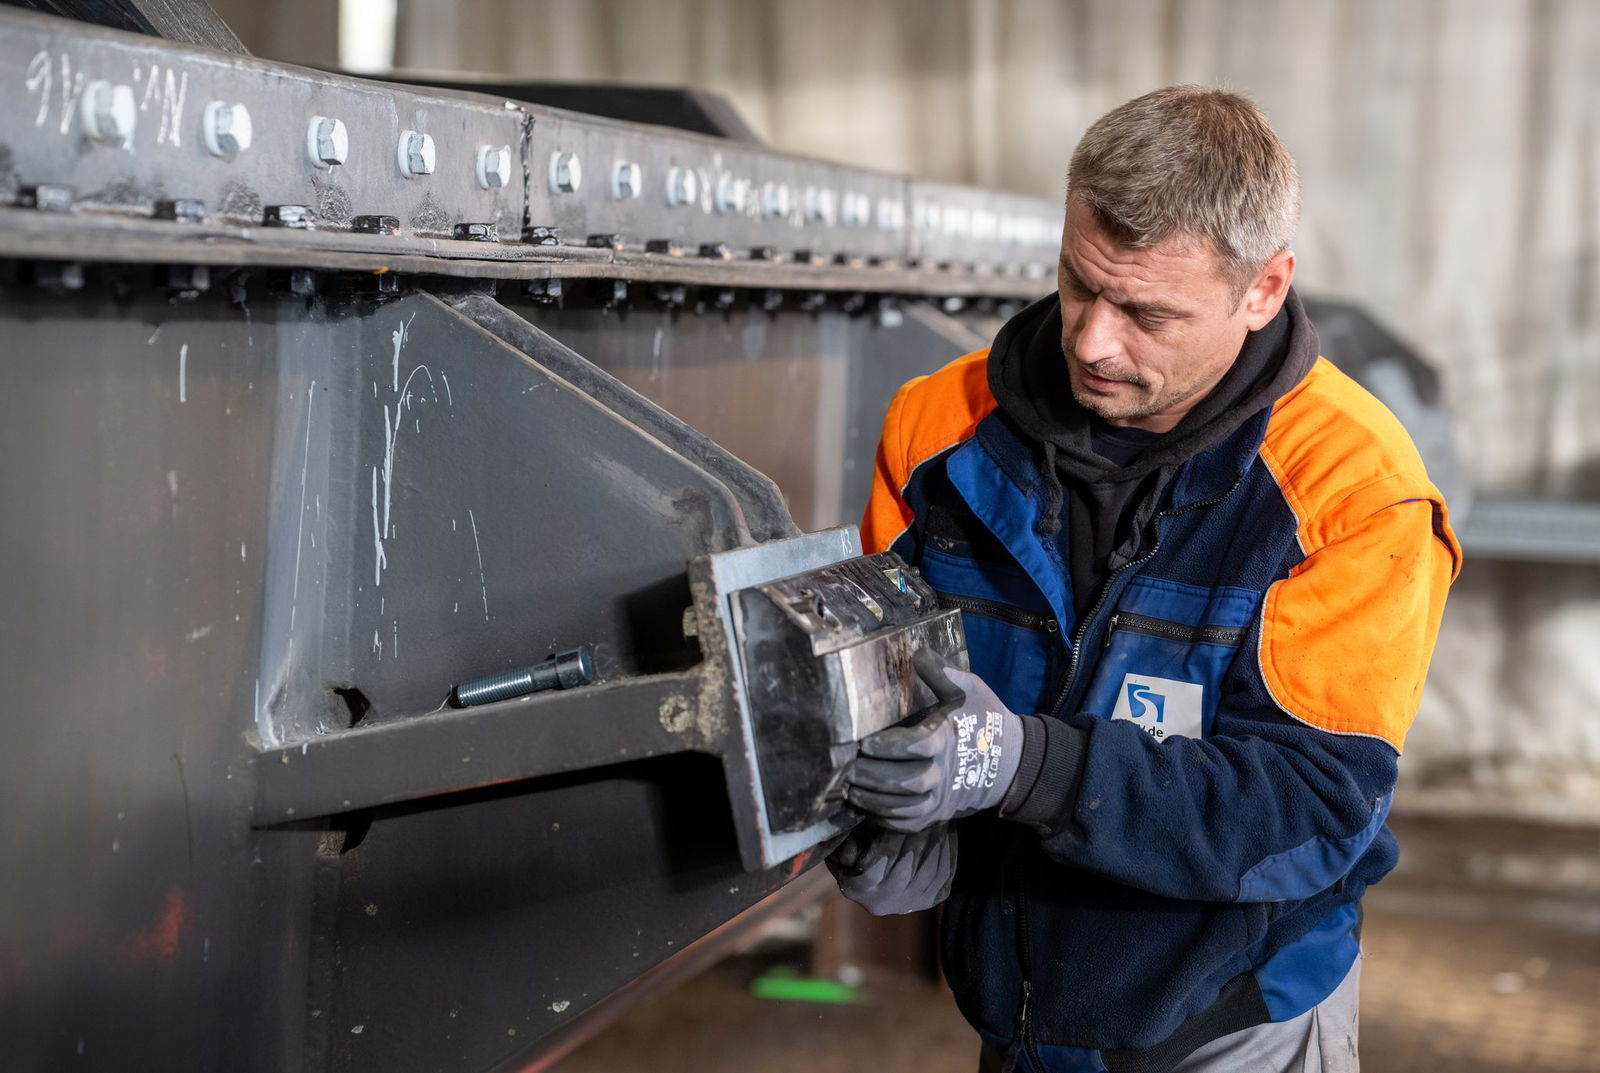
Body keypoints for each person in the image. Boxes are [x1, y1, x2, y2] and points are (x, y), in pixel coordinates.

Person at [829, 86, 1460, 1073]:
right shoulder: (938, 429)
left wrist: (1028, 766)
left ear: (1264, 288)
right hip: (1016, 1015)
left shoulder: (1352, 493)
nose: (1092, 340)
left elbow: (1307, 810)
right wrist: (893, 825)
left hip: (1231, 1021)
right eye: (1080, 284)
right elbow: (887, 684)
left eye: (1146, 312)